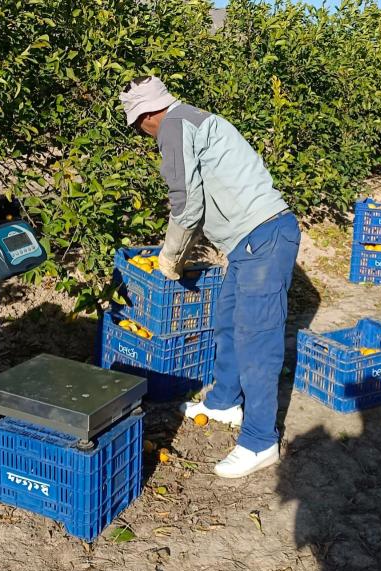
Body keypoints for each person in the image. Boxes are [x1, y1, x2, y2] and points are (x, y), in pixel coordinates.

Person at [119, 76, 300, 479]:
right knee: (229, 323)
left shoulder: (173, 126)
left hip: (263, 237)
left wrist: (170, 256)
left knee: (258, 340)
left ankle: (259, 441)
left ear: (147, 115)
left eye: (137, 125)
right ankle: (222, 402)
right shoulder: (195, 119)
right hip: (249, 242)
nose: (141, 133)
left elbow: (186, 204)